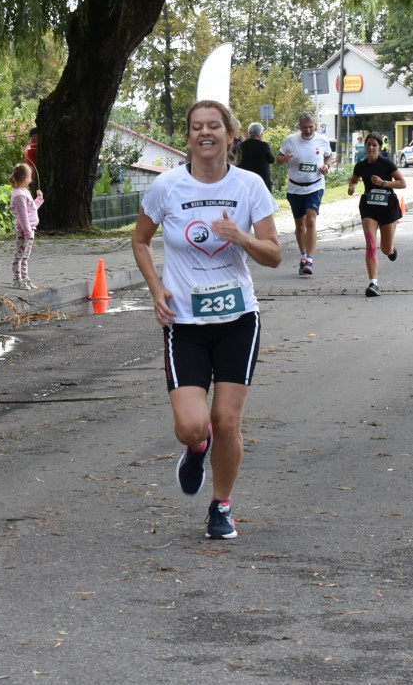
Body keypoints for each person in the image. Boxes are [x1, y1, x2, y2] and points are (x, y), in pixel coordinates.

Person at [131, 100, 281, 540]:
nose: (205, 133)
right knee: (192, 426)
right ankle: (197, 449)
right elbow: (140, 241)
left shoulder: (251, 186)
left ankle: (222, 507)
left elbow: (273, 254)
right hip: (185, 324)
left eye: (214, 126)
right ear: (190, 137)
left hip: (238, 319)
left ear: (230, 135)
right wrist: (157, 290)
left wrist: (240, 236)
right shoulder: (167, 187)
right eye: (197, 127)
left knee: (228, 421)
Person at [348, 133, 406, 297]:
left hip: (388, 206)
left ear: (379, 147)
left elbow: (403, 183)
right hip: (369, 207)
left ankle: (391, 249)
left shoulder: (387, 164)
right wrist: (352, 187)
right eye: (369, 145)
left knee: (385, 248)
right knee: (371, 244)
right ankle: (373, 283)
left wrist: (384, 183)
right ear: (365, 147)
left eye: (374, 145)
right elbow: (354, 179)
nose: (371, 148)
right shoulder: (361, 166)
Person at [276, 112, 333, 276]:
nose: (308, 130)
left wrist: (326, 166)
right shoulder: (291, 140)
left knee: (311, 220)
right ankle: (303, 256)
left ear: (315, 125)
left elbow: (329, 157)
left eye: (311, 127)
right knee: (300, 225)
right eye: (305, 127)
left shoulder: (322, 140)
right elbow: (278, 159)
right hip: (295, 188)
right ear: (299, 126)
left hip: (315, 186)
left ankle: (310, 259)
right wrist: (284, 158)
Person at [9, 162, 43, 289]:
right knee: (20, 255)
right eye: (29, 177)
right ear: (24, 179)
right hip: (24, 230)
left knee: (25, 256)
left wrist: (39, 199)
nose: (31, 179)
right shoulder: (19, 195)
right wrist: (28, 233)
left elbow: (32, 209)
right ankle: (17, 280)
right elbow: (23, 216)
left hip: (30, 229)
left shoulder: (25, 192)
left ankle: (25, 278)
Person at [236, 122, 275, 192]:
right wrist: (269, 148)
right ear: (260, 134)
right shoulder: (264, 146)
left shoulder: (242, 146)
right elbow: (272, 160)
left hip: (246, 180)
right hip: (263, 181)